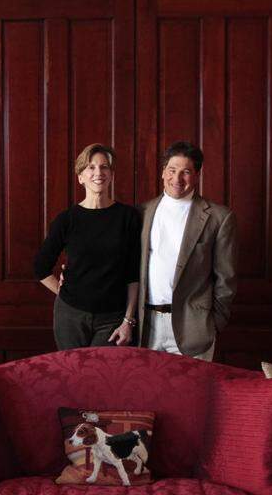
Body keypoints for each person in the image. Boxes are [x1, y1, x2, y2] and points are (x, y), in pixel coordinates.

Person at [34, 144, 141, 350]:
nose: (98, 173)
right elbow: (40, 267)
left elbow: (133, 273)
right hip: (70, 316)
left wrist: (128, 320)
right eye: (91, 168)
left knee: (103, 379)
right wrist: (64, 292)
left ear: (111, 175)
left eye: (104, 167)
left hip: (113, 317)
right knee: (73, 378)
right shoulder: (67, 220)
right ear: (80, 177)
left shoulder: (128, 217)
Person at [138, 141, 237, 360]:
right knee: (148, 393)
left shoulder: (219, 217)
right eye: (172, 170)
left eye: (186, 172)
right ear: (163, 172)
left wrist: (213, 323)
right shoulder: (142, 212)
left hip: (194, 328)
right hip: (146, 326)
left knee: (191, 394)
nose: (177, 179)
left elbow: (226, 278)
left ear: (197, 175)